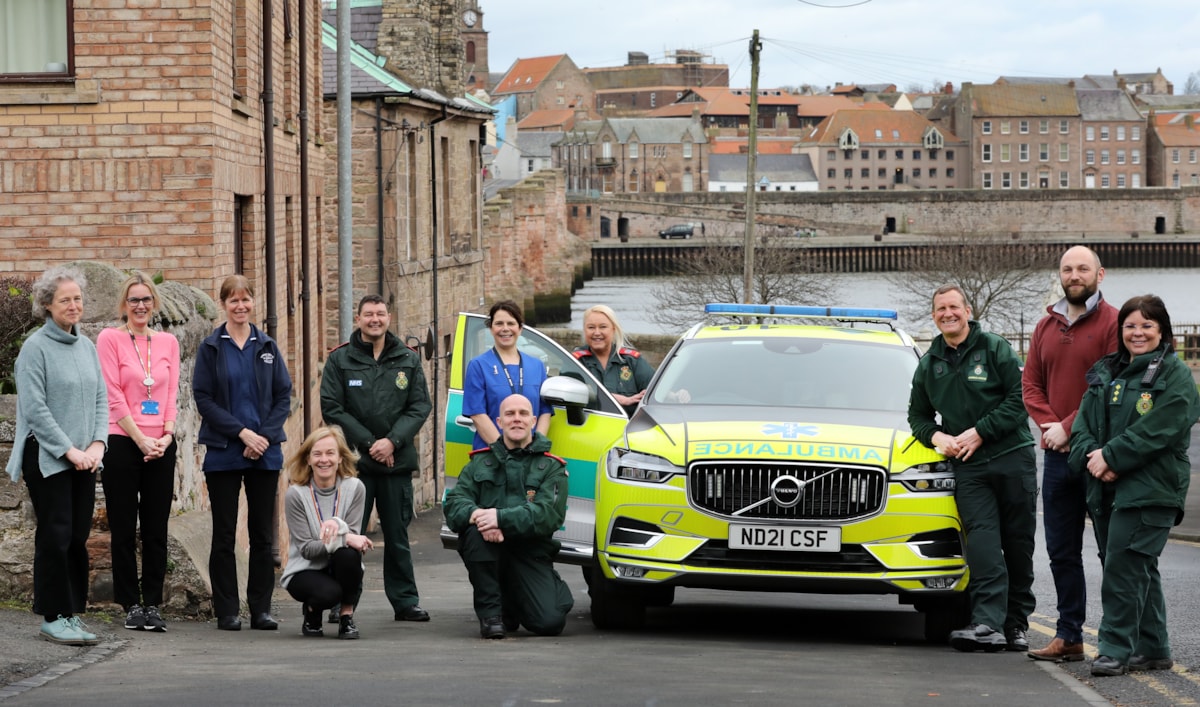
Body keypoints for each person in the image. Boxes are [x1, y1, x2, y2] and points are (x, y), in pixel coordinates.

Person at [1070, 295, 1200, 677]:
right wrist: (1092, 456)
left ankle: (1113, 650)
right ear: (1120, 330)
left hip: (1151, 490)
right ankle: (1154, 647)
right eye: (1130, 325)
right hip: (1107, 488)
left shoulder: (1175, 377)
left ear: (1162, 331)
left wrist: (1110, 456)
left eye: (1146, 325)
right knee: (1135, 566)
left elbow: (1159, 430)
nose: (1137, 332)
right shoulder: (1106, 371)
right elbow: (1083, 425)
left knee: (1123, 570)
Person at [908, 285, 1037, 653]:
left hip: (1013, 457)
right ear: (934, 316)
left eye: (953, 307)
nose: (947, 314)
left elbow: (1021, 397)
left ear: (967, 310)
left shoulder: (994, 348)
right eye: (940, 309)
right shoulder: (929, 362)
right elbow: (917, 415)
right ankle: (986, 623)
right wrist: (936, 438)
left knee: (1017, 545)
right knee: (982, 543)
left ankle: (1015, 625)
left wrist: (981, 431)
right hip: (969, 468)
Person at [1022, 246, 1118, 662]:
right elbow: (1031, 386)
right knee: (1061, 550)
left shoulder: (1115, 322)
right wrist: (1051, 427)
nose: (1074, 274)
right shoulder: (1045, 325)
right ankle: (1069, 636)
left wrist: (1069, 427)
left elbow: (1109, 384)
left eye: (1082, 268)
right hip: (1058, 455)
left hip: (1099, 455)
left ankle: (1118, 640)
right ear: (1059, 275)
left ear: (1101, 274)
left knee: (1111, 551)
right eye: (1067, 268)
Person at [6, 266, 107, 646]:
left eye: (77, 298)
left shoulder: (87, 346)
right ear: (47, 305)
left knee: (78, 536)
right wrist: (69, 450)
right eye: (65, 299)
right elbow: (35, 410)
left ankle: (70, 613)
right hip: (48, 457)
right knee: (56, 535)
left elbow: (101, 399)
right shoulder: (35, 348)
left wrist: (97, 445)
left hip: (85, 458)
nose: (73, 305)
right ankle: (51, 616)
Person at [320, 294, 432, 623]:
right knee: (347, 536)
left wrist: (392, 442)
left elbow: (419, 406)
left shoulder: (407, 359)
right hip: (355, 464)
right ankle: (338, 601)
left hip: (395, 463)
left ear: (389, 318)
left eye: (380, 314)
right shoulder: (340, 359)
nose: (375, 320)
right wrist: (371, 444)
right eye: (368, 314)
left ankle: (406, 602)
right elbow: (332, 407)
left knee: (398, 536)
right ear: (358, 319)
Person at [193, 275, 292, 631]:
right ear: (224, 304)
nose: (240, 306)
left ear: (253, 303)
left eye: (245, 300)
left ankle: (261, 608)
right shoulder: (210, 348)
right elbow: (203, 398)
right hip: (224, 452)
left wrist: (262, 438)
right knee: (223, 534)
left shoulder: (266, 346)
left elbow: (284, 396)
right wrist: (242, 433)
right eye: (233, 300)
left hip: (263, 454)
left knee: (262, 534)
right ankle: (227, 610)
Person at [443, 393, 573, 639]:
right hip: (491, 548)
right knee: (473, 533)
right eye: (509, 414)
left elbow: (549, 515)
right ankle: (491, 615)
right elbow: (454, 504)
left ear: (533, 421)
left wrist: (500, 518)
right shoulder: (479, 464)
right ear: (499, 422)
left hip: (530, 553)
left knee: (550, 622)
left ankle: (512, 603)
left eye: (523, 414)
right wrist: (479, 516)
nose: (517, 419)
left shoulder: (552, 467)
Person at [97, 271, 181, 633]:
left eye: (146, 299)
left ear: (154, 303)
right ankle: (130, 603)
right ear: (124, 305)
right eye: (134, 300)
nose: (141, 306)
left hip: (160, 444)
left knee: (156, 529)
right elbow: (113, 395)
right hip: (122, 441)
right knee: (123, 528)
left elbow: (172, 395)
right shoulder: (109, 339)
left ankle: (153, 604)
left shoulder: (168, 343)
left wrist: (166, 436)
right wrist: (140, 439)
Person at [280, 426, 373, 639]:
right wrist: (345, 536)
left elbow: (354, 543)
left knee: (349, 554)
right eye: (317, 454)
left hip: (340, 565)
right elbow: (307, 549)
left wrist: (343, 534)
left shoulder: (355, 488)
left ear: (340, 457)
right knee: (330, 593)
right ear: (308, 460)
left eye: (330, 453)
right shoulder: (296, 494)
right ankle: (312, 613)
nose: (324, 460)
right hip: (304, 569)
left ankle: (346, 617)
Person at [462, 300, 551, 449]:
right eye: (499, 323)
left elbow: (545, 411)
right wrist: (504, 451)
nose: (505, 329)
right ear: (491, 328)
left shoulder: (537, 366)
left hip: (529, 458)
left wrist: (535, 448)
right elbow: (477, 414)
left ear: (520, 328)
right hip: (492, 455)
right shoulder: (478, 366)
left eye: (511, 323)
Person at [572, 305, 655, 415]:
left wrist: (676, 395)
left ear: (613, 329)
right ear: (584, 330)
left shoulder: (631, 360)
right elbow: (572, 393)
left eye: (603, 327)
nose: (597, 332)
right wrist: (618, 399)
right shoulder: (575, 362)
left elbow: (657, 389)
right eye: (591, 327)